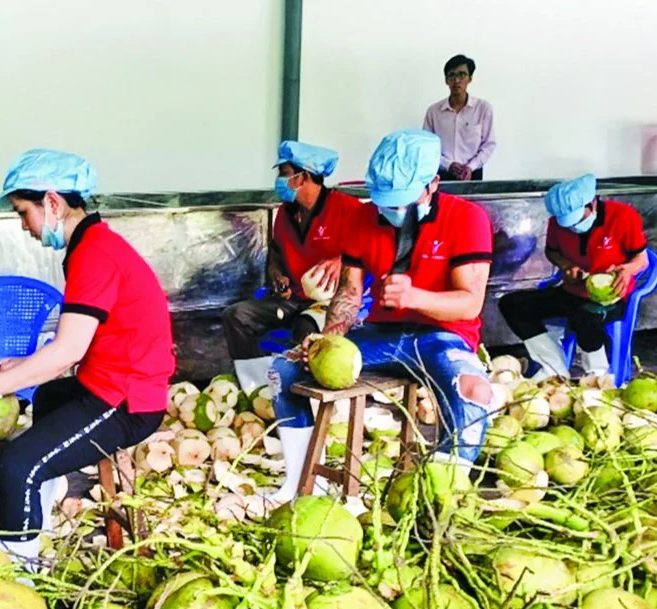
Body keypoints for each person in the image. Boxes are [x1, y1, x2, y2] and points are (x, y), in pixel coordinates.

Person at [0, 149, 175, 565]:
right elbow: (84, 334)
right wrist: (25, 366)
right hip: (107, 380)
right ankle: (40, 525)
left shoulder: (96, 254)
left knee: (17, 465)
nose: (24, 226)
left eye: (23, 212)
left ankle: (21, 567)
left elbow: (68, 350)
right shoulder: (91, 245)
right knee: (50, 400)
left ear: (51, 202)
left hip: (128, 399)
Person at [266, 129, 494, 503]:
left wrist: (414, 296)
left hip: (443, 338)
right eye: (385, 201)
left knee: (475, 391)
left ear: (433, 184)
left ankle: (439, 495)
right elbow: (349, 292)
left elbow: (469, 303)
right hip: (381, 337)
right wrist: (330, 339)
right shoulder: (364, 218)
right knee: (283, 370)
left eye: (401, 201)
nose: (391, 211)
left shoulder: (467, 219)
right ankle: (302, 484)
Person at [222, 140, 362, 393]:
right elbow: (276, 250)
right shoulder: (286, 213)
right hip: (294, 298)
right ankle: (258, 389)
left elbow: (372, 248)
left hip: (329, 303)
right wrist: (276, 271)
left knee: (306, 328)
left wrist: (341, 259)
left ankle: (298, 396)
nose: (279, 180)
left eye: (284, 173)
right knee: (236, 315)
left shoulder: (347, 209)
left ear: (303, 177)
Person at [498, 174, 650, 379]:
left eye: (578, 219)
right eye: (567, 223)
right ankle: (554, 368)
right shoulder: (556, 223)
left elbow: (642, 260)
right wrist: (566, 266)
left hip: (612, 297)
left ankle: (597, 377)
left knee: (585, 317)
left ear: (593, 202)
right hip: (571, 291)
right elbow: (552, 252)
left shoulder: (623, 216)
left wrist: (626, 270)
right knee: (512, 304)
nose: (573, 226)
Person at [422, 54, 496, 182]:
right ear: (446, 80)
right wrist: (448, 165)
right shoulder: (433, 112)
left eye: (462, 75)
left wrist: (471, 167)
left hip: (472, 174)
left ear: (470, 78)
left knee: (471, 203)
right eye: (452, 75)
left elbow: (489, 144)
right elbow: (426, 147)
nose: (457, 80)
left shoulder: (483, 108)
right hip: (442, 173)